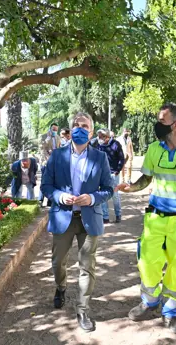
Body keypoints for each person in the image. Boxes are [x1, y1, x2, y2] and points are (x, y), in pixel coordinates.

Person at [116, 103, 176, 335]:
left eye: (162, 121)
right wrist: (130, 188)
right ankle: (149, 301)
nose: (157, 126)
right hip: (155, 218)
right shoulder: (154, 149)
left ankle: (171, 313)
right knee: (146, 263)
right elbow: (146, 179)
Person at [41, 112, 114, 332]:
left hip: (89, 219)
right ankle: (60, 287)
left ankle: (83, 310)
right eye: (76, 125)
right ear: (70, 129)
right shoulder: (57, 155)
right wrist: (60, 197)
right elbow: (46, 186)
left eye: (85, 126)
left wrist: (92, 198)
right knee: (57, 262)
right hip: (63, 216)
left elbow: (109, 189)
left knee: (87, 266)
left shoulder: (100, 158)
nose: (80, 128)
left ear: (91, 132)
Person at [95, 129, 125, 223]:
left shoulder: (116, 144)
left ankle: (118, 215)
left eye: (101, 137)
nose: (99, 138)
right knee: (103, 195)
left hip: (113, 174)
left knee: (114, 195)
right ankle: (105, 217)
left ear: (106, 137)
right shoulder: (99, 145)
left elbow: (121, 158)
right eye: (98, 136)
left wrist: (117, 171)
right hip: (102, 174)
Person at [39, 123, 62, 206]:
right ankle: (40, 200)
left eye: (56, 130)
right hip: (46, 162)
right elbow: (42, 148)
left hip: (55, 163)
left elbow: (59, 148)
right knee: (44, 181)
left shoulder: (58, 137)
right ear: (50, 128)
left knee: (52, 182)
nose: (55, 131)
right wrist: (48, 139)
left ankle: (50, 201)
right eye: (53, 129)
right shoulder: (43, 136)